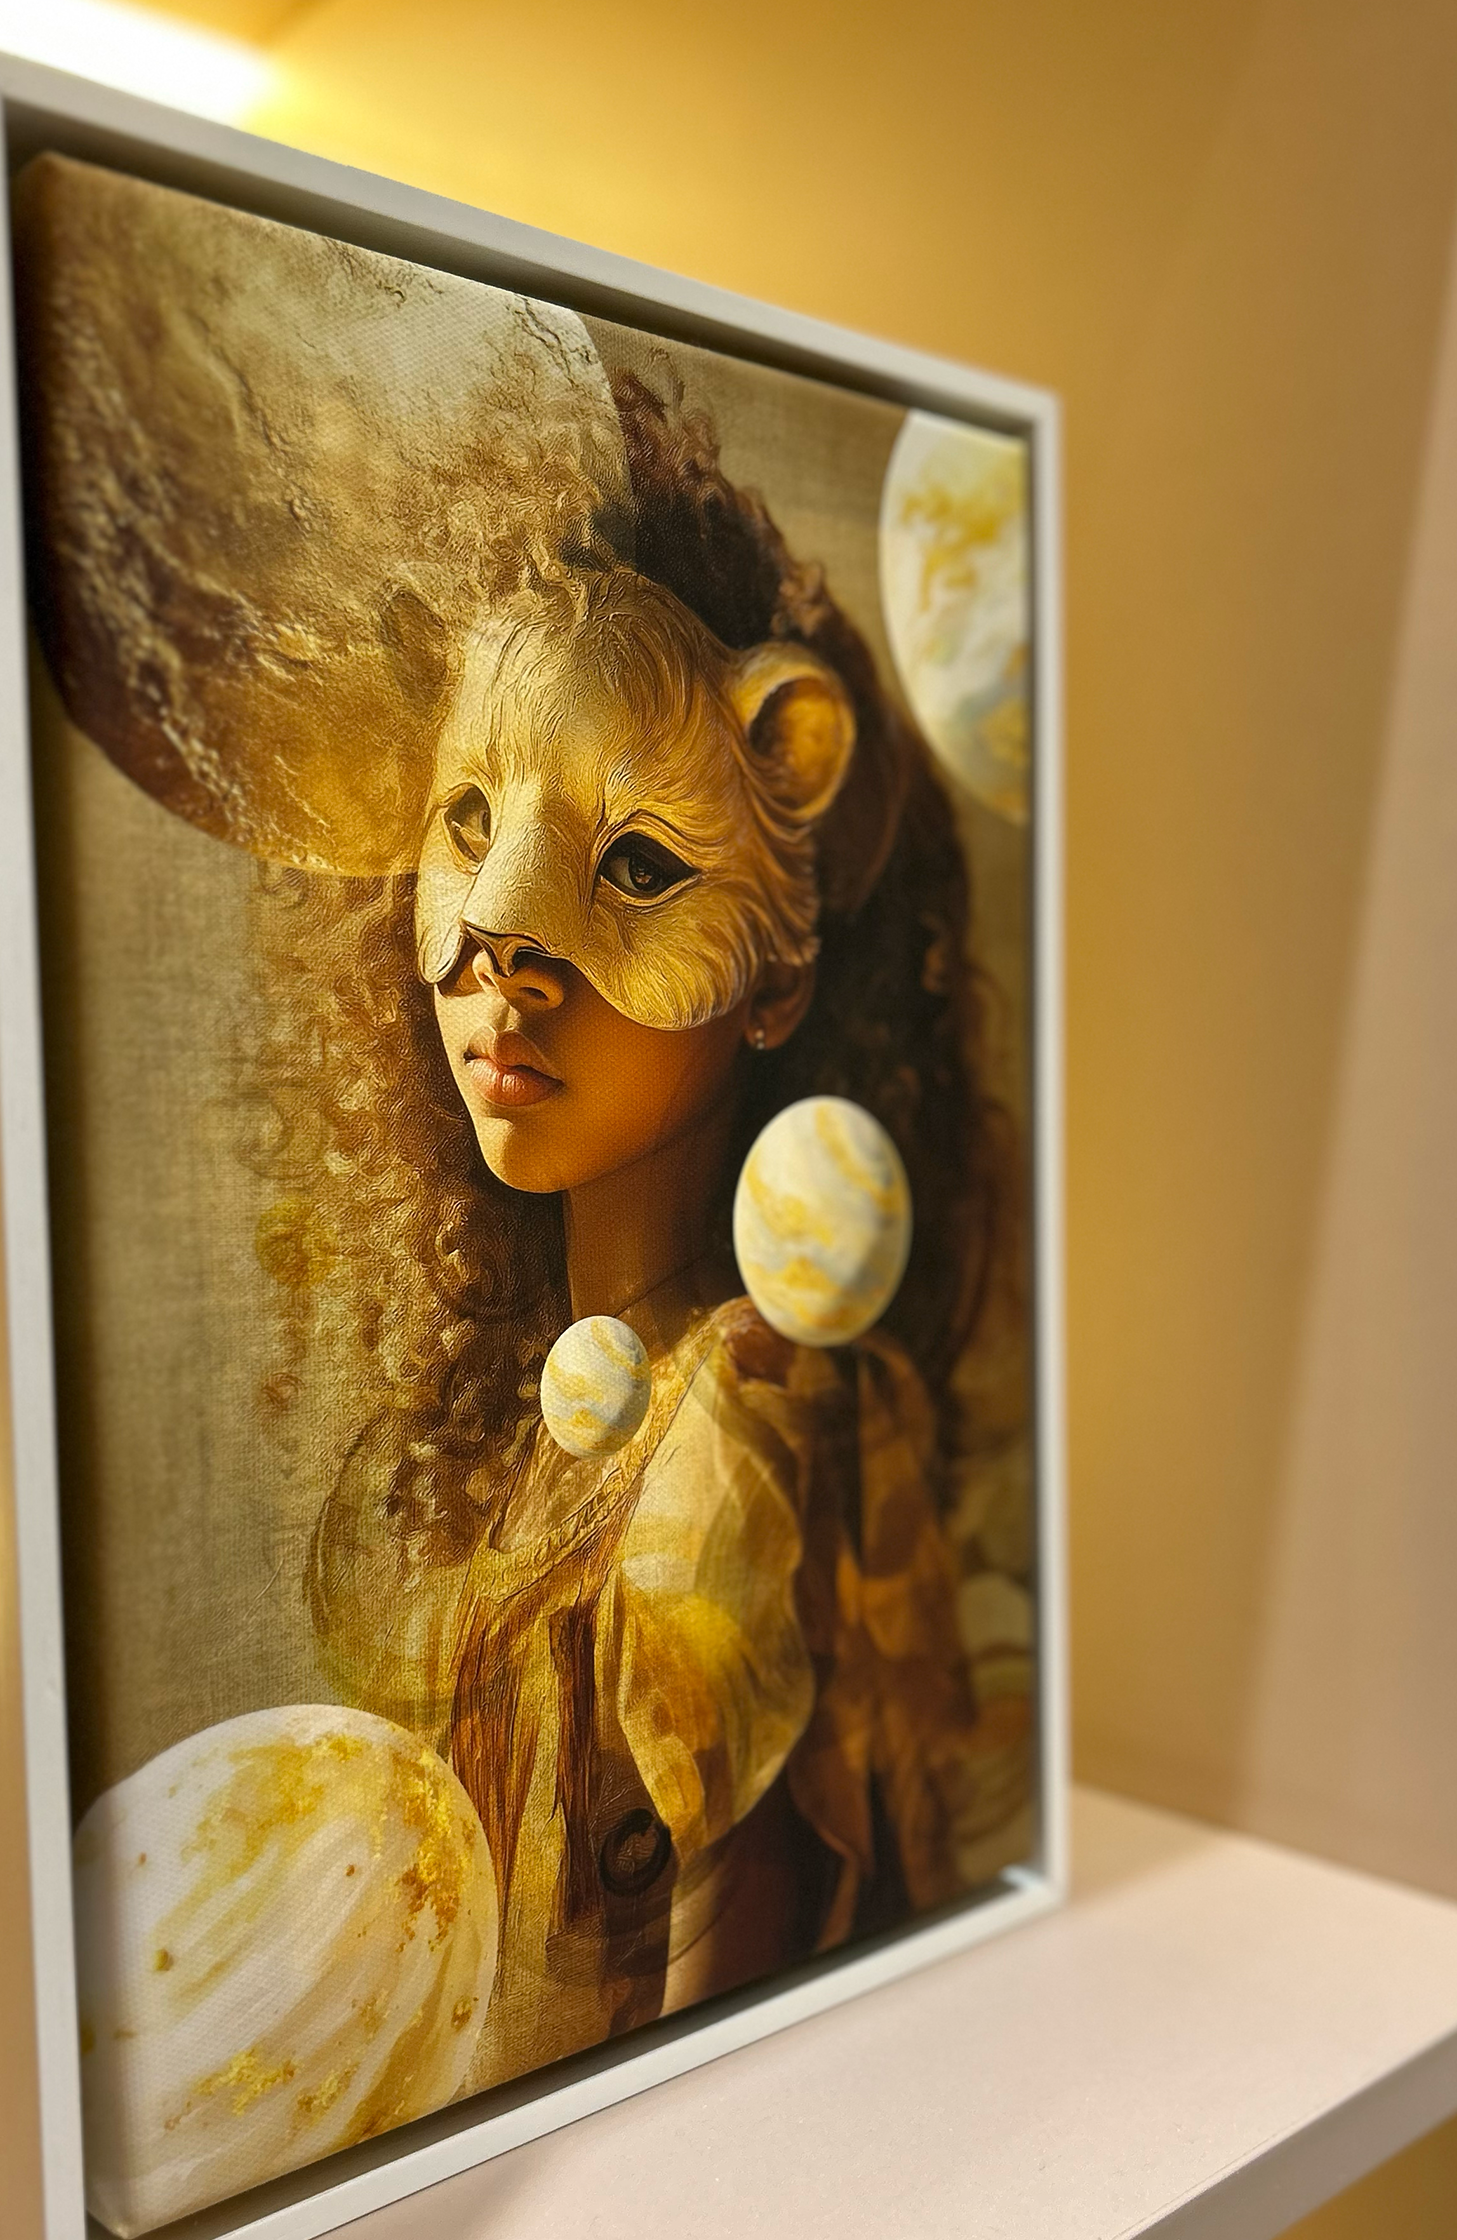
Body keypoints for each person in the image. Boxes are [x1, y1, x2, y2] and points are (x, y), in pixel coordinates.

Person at [270, 377, 1029, 2090]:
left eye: (632, 865)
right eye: (469, 823)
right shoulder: (554, 1429)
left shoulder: (723, 1444)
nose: (496, 939)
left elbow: (710, 2062)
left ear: (778, 972)